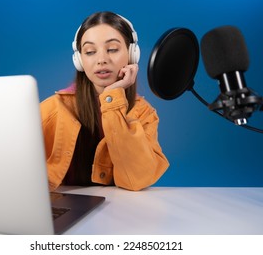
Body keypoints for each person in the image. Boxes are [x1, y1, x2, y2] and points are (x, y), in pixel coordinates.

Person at [40, 11, 169, 191]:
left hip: (119, 212)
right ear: (79, 60)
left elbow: (136, 181)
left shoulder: (144, 114)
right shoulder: (52, 109)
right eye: (90, 52)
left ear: (132, 54)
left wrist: (112, 97)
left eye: (112, 49)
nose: (101, 60)